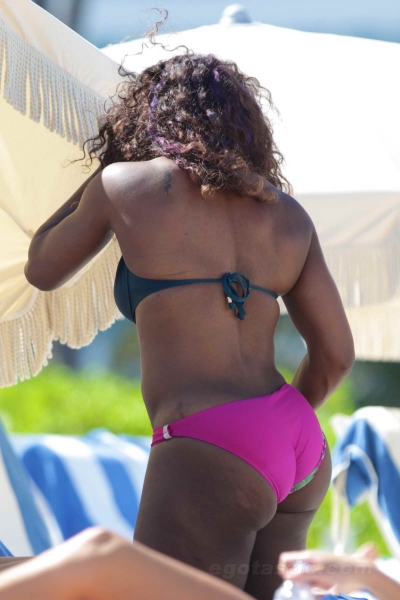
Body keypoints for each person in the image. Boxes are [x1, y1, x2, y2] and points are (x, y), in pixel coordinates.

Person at [24, 37, 354, 598]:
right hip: (298, 442)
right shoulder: (287, 215)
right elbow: (336, 355)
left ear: (149, 119)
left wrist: (106, 168)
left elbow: (42, 268)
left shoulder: (126, 183)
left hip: (212, 440)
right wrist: (272, 427)